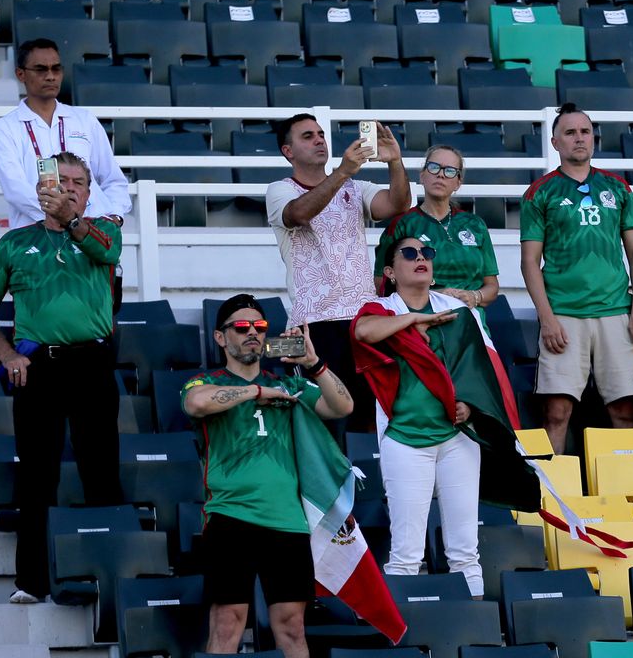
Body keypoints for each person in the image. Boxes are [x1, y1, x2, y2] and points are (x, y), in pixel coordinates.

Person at [0, 151, 123, 604]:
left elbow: (106, 251)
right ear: (42, 187)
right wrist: (7, 354)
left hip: (92, 364)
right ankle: (31, 582)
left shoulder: (104, 229)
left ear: (89, 192)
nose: (70, 187)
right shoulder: (15, 243)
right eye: (62, 180)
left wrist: (73, 218)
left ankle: (106, 577)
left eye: (79, 182)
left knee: (101, 471)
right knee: (36, 475)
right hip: (38, 368)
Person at [181, 294, 354, 658]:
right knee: (228, 621)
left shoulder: (290, 385)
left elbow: (342, 406)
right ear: (219, 337)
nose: (252, 334)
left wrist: (314, 364)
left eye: (259, 327)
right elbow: (196, 404)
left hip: (287, 521)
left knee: (292, 627)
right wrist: (256, 391)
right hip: (230, 516)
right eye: (241, 327)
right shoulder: (205, 381)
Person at [521, 103, 633, 454]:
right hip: (564, 314)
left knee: (625, 409)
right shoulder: (541, 192)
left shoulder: (617, 187)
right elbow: (529, 262)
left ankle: (628, 495)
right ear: (555, 143)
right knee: (556, 412)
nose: (579, 138)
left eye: (585, 131)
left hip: (615, 311)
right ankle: (553, 499)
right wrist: (547, 319)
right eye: (570, 132)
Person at [352, 237, 484, 596]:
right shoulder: (380, 308)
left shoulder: (457, 310)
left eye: (427, 253)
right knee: (406, 553)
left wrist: (470, 405)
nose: (421, 258)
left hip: (458, 438)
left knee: (465, 551)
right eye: (409, 254)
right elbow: (362, 332)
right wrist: (412, 320)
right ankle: (406, 643)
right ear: (391, 272)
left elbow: (482, 370)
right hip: (405, 438)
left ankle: (475, 636)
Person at [266, 113, 411, 432]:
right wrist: (344, 171)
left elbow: (397, 205)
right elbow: (300, 213)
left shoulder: (356, 187)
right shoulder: (279, 190)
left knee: (369, 423)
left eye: (320, 133)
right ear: (287, 151)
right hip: (314, 326)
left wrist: (395, 163)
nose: (319, 139)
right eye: (307, 136)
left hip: (364, 321)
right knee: (328, 426)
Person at [0, 38, 130, 229]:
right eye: (41, 69)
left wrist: (114, 217)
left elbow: (112, 179)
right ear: (20, 74)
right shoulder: (6, 128)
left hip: (91, 231)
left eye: (56, 69)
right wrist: (64, 217)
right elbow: (16, 190)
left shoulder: (84, 119)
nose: (50, 76)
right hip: (38, 234)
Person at [376, 144, 499, 312]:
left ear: (458, 182)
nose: (441, 174)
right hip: (420, 322)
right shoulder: (403, 224)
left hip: (470, 324)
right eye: (434, 168)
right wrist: (435, 296)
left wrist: (474, 296)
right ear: (422, 176)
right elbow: (381, 284)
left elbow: (491, 286)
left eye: (449, 171)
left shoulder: (475, 225)